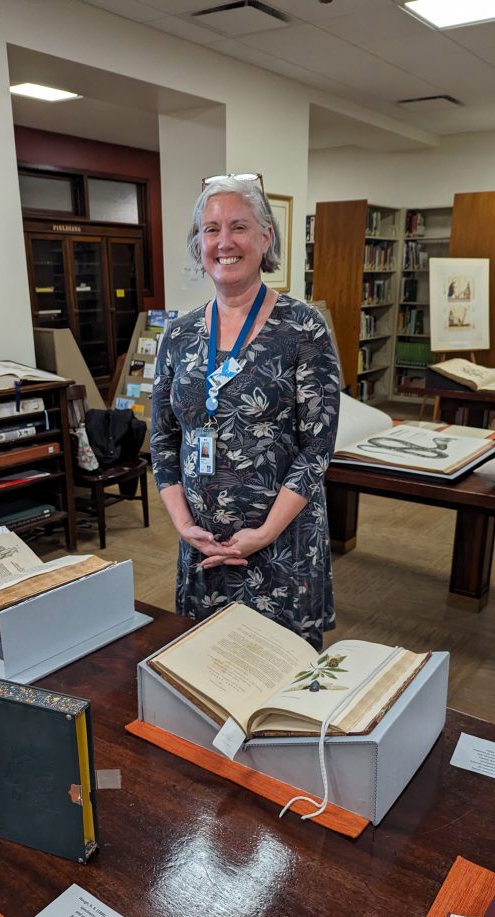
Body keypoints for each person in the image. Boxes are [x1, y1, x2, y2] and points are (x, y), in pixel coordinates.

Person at [151, 176, 340, 650]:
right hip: (203, 543)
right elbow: (162, 439)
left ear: (265, 237)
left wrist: (262, 534)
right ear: (199, 244)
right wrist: (183, 526)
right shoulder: (180, 334)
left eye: (238, 227)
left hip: (280, 543)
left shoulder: (302, 328)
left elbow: (316, 450)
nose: (224, 242)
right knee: (206, 667)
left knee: (283, 677)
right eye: (210, 230)